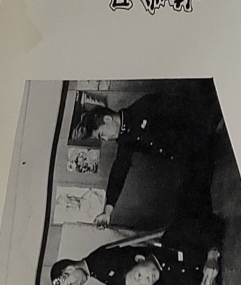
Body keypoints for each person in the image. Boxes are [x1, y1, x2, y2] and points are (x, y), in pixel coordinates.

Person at [71, 89, 222, 226]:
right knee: (191, 209)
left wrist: (211, 126)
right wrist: (107, 211)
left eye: (101, 134)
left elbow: (186, 108)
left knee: (196, 206)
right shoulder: (125, 139)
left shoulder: (144, 106)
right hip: (192, 159)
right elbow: (119, 170)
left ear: (108, 119)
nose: (105, 140)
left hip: (205, 141)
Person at [50, 217, 221, 285]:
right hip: (154, 272)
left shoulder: (98, 262)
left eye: (69, 283)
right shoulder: (94, 268)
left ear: (69, 269)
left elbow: (119, 283)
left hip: (158, 261)